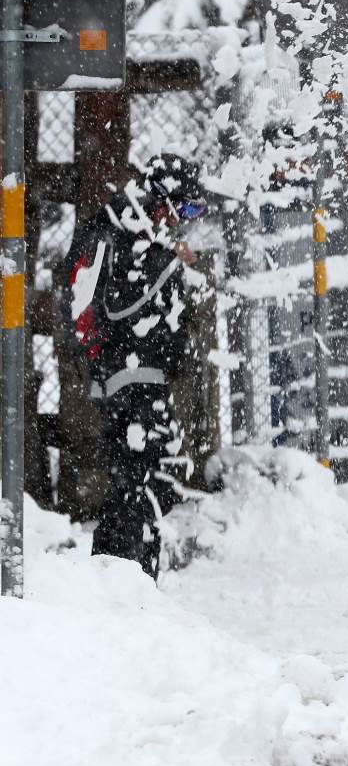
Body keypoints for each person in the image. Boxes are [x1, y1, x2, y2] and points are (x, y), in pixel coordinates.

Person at [62, 153, 209, 580]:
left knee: (137, 476)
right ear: (161, 199)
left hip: (131, 372)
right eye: (185, 209)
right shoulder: (127, 236)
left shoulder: (129, 230)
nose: (185, 219)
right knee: (150, 472)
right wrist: (170, 264)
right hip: (131, 374)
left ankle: (118, 574)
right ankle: (128, 579)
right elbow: (122, 307)